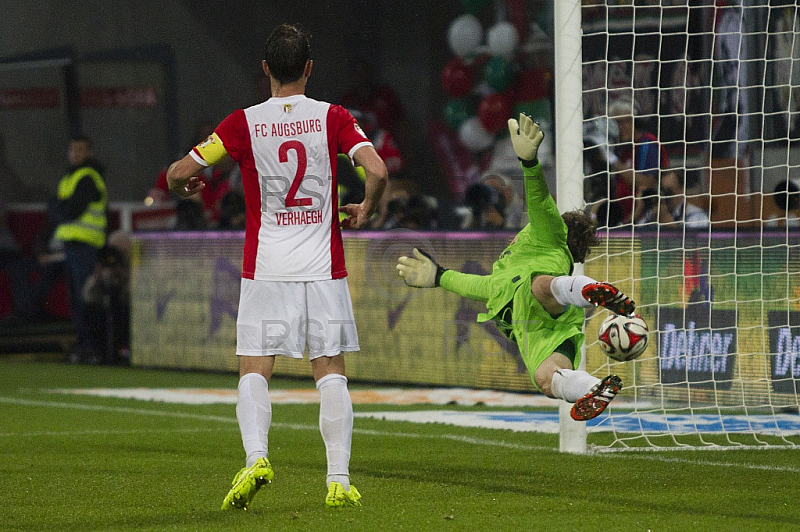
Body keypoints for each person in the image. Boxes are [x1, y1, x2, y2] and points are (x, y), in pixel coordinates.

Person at [166, 23, 388, 510]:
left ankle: (258, 457)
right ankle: (337, 479)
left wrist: (183, 185)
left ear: (265, 68)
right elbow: (377, 168)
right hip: (322, 267)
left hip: (266, 267)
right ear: (309, 68)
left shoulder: (242, 124)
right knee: (330, 372)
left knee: (254, 369)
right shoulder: (333, 117)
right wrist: (368, 206)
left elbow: (179, 171)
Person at [396, 113, 636, 422]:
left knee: (540, 286)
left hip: (538, 298)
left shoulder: (549, 234)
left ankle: (585, 289)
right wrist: (440, 276)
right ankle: (595, 387)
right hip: (544, 325)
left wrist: (531, 164)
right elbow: (477, 286)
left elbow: (538, 201)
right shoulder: (506, 274)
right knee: (549, 380)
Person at [53, 134, 107, 363]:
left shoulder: (87, 177)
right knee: (77, 300)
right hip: (72, 247)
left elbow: (68, 210)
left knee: (87, 299)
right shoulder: (70, 177)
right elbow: (56, 207)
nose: (76, 154)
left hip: (86, 247)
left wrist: (60, 208)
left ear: (89, 152)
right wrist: (59, 208)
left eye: (81, 150)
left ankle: (94, 348)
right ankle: (84, 345)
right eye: (73, 149)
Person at [609, 99, 669, 224]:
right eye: (616, 123)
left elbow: (646, 182)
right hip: (621, 216)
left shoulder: (647, 144)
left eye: (626, 121)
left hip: (645, 218)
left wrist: (613, 161)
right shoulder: (619, 147)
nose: (621, 127)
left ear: (635, 121)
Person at [634, 168, 709, 230]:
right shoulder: (652, 214)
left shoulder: (696, 215)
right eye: (662, 190)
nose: (665, 196)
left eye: (669, 191)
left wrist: (666, 220)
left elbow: (693, 245)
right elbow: (632, 236)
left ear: (681, 190)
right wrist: (638, 211)